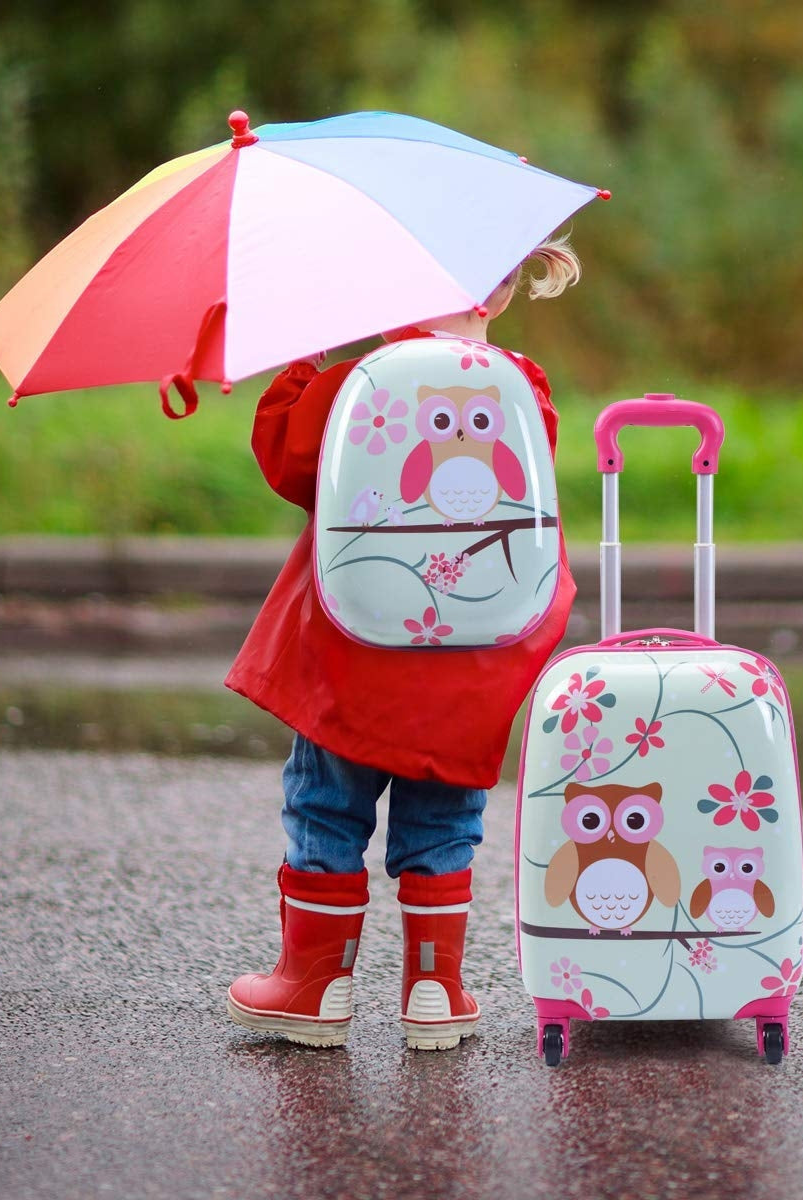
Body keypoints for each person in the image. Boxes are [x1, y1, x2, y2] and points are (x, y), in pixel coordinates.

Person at [225, 235, 581, 1050]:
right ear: (495, 295)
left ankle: (314, 987)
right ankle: (434, 987)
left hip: (353, 657)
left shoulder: (363, 385)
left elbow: (288, 461)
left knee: (325, 804)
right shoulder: (525, 387)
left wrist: (305, 362)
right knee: (444, 814)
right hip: (470, 666)